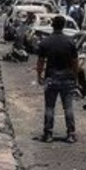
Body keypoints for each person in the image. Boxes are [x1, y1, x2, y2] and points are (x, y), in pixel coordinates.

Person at [36, 15, 80, 143]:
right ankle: (71, 133)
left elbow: (40, 62)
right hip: (67, 78)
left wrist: (39, 75)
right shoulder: (70, 42)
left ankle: (48, 133)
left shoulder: (46, 42)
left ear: (52, 25)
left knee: (50, 107)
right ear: (64, 25)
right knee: (68, 107)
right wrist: (75, 77)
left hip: (51, 78)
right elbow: (75, 62)